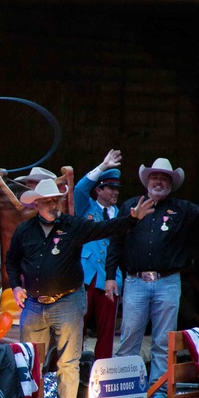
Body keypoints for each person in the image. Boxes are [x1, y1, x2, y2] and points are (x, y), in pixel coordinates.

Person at [6, 178, 154, 398]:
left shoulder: (73, 226)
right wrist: (14, 286)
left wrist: (132, 219)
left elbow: (104, 229)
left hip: (68, 301)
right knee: (30, 360)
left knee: (68, 360)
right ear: (36, 204)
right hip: (33, 303)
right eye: (48, 201)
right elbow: (12, 261)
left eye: (56, 200)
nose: (54, 204)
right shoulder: (24, 230)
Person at [105, 158, 199, 398]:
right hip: (135, 281)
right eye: (154, 177)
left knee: (163, 340)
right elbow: (115, 243)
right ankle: (123, 391)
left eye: (164, 178)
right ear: (146, 181)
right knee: (129, 338)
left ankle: (158, 392)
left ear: (171, 184)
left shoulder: (182, 209)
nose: (158, 182)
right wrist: (110, 277)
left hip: (168, 281)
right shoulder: (131, 205)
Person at [73, 150, 124, 360]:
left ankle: (102, 371)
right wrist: (102, 166)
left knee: (107, 330)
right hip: (85, 275)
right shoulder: (86, 206)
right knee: (77, 327)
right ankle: (74, 368)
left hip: (110, 278)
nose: (115, 192)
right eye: (111, 188)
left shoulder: (121, 214)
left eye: (117, 189)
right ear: (99, 190)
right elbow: (79, 188)